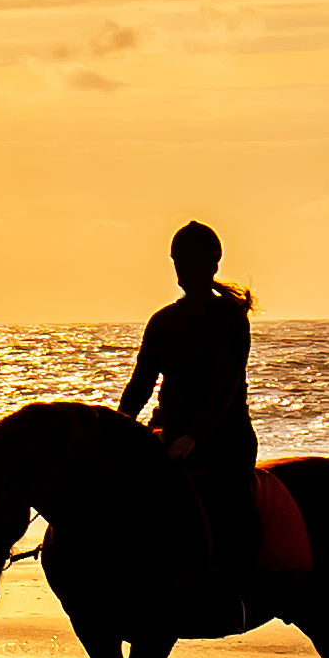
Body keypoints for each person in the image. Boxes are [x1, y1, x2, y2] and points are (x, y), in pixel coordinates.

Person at [112, 218, 263, 626]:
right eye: (178, 260)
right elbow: (141, 382)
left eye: (192, 260)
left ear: (212, 264)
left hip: (223, 435)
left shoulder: (229, 317)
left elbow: (225, 386)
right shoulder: (163, 321)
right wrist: (117, 426)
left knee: (230, 501)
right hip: (169, 433)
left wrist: (194, 438)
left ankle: (240, 588)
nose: (183, 269)